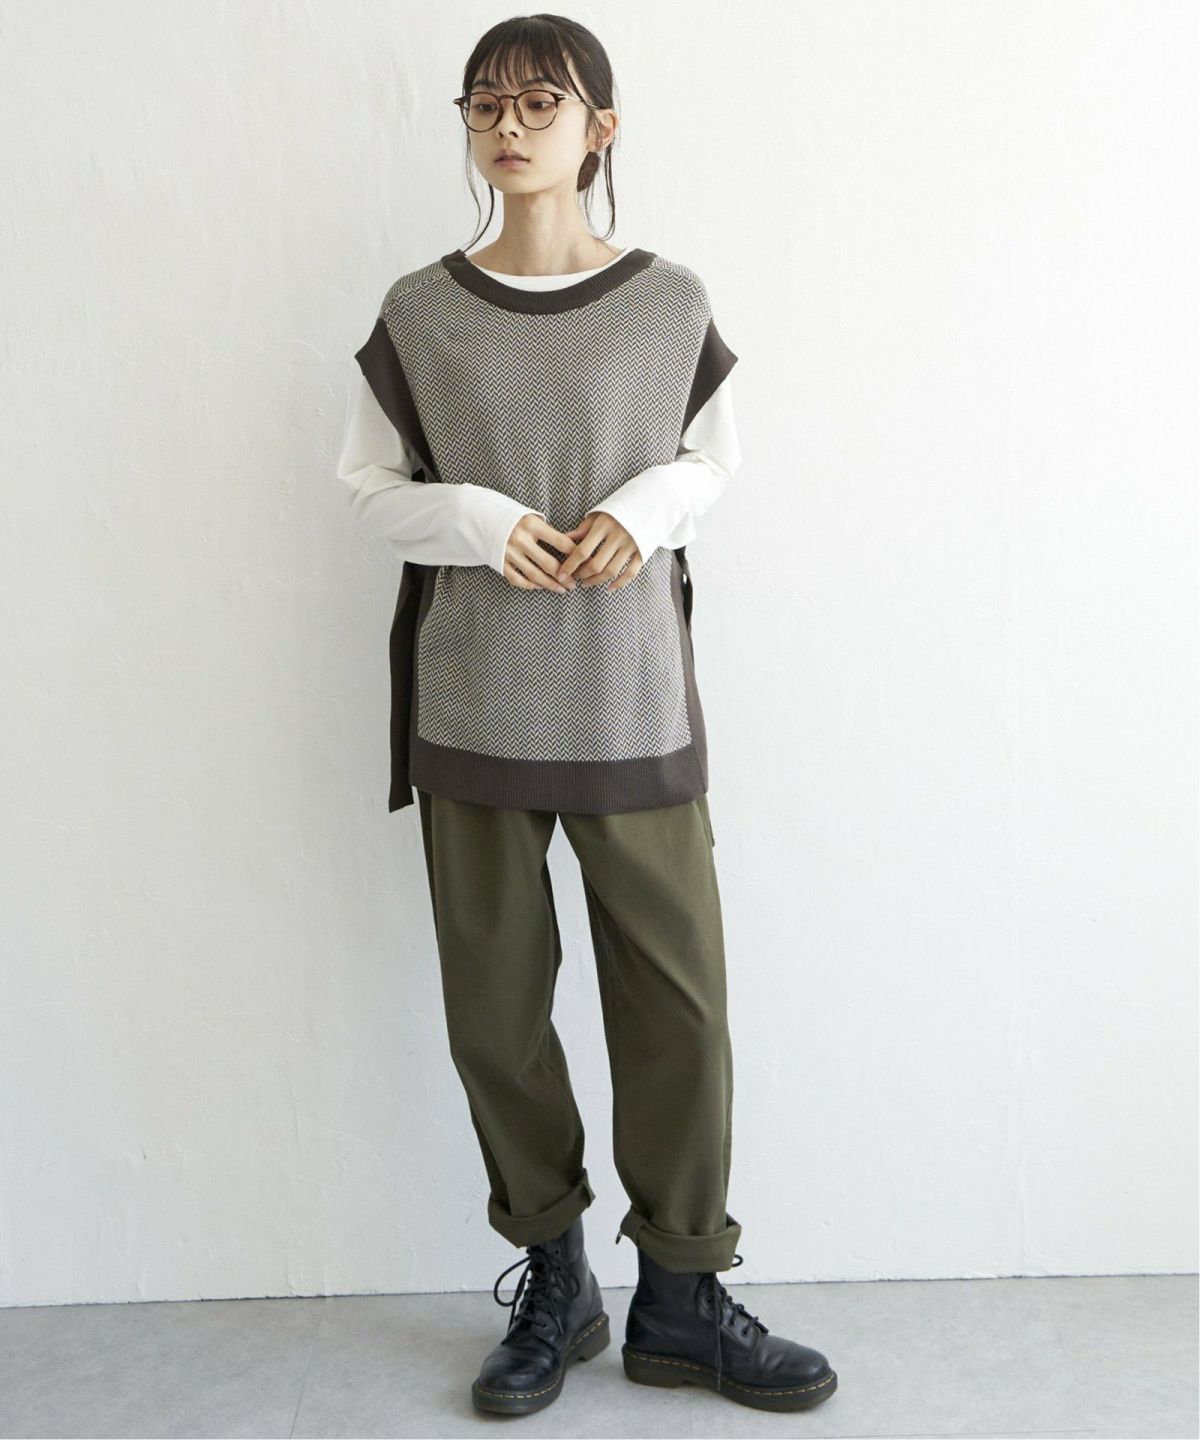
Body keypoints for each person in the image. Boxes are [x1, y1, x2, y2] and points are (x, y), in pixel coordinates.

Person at [335, 12, 837, 1418]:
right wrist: (480, 521)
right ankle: (556, 1283)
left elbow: (710, 461)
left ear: (598, 128)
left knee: (680, 1008)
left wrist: (643, 505)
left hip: (630, 702)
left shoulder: (667, 300)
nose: (508, 127)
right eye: (484, 103)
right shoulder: (420, 311)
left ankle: (682, 1296)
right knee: (496, 1014)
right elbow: (368, 488)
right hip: (476, 700)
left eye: (540, 103)